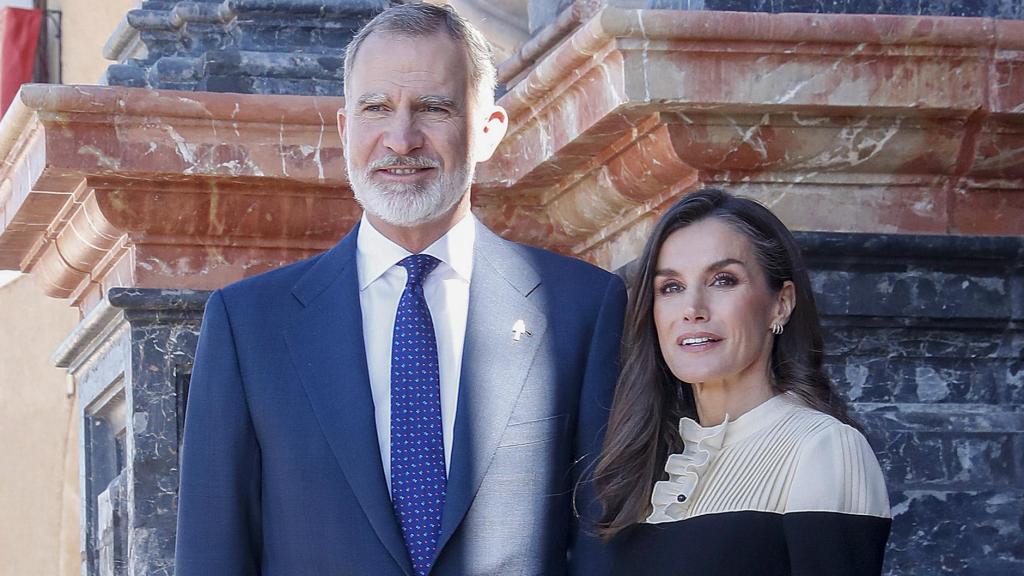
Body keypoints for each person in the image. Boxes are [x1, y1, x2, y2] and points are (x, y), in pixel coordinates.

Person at [173, 4, 625, 576]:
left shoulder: (581, 311)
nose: (402, 138)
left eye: (433, 108)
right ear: (345, 130)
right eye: (377, 108)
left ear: (487, 131)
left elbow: (603, 549)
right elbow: (212, 557)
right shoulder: (250, 326)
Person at [594, 188, 891, 575]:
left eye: (722, 280)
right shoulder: (644, 460)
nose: (692, 309)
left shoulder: (823, 448)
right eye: (671, 287)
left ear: (780, 303)